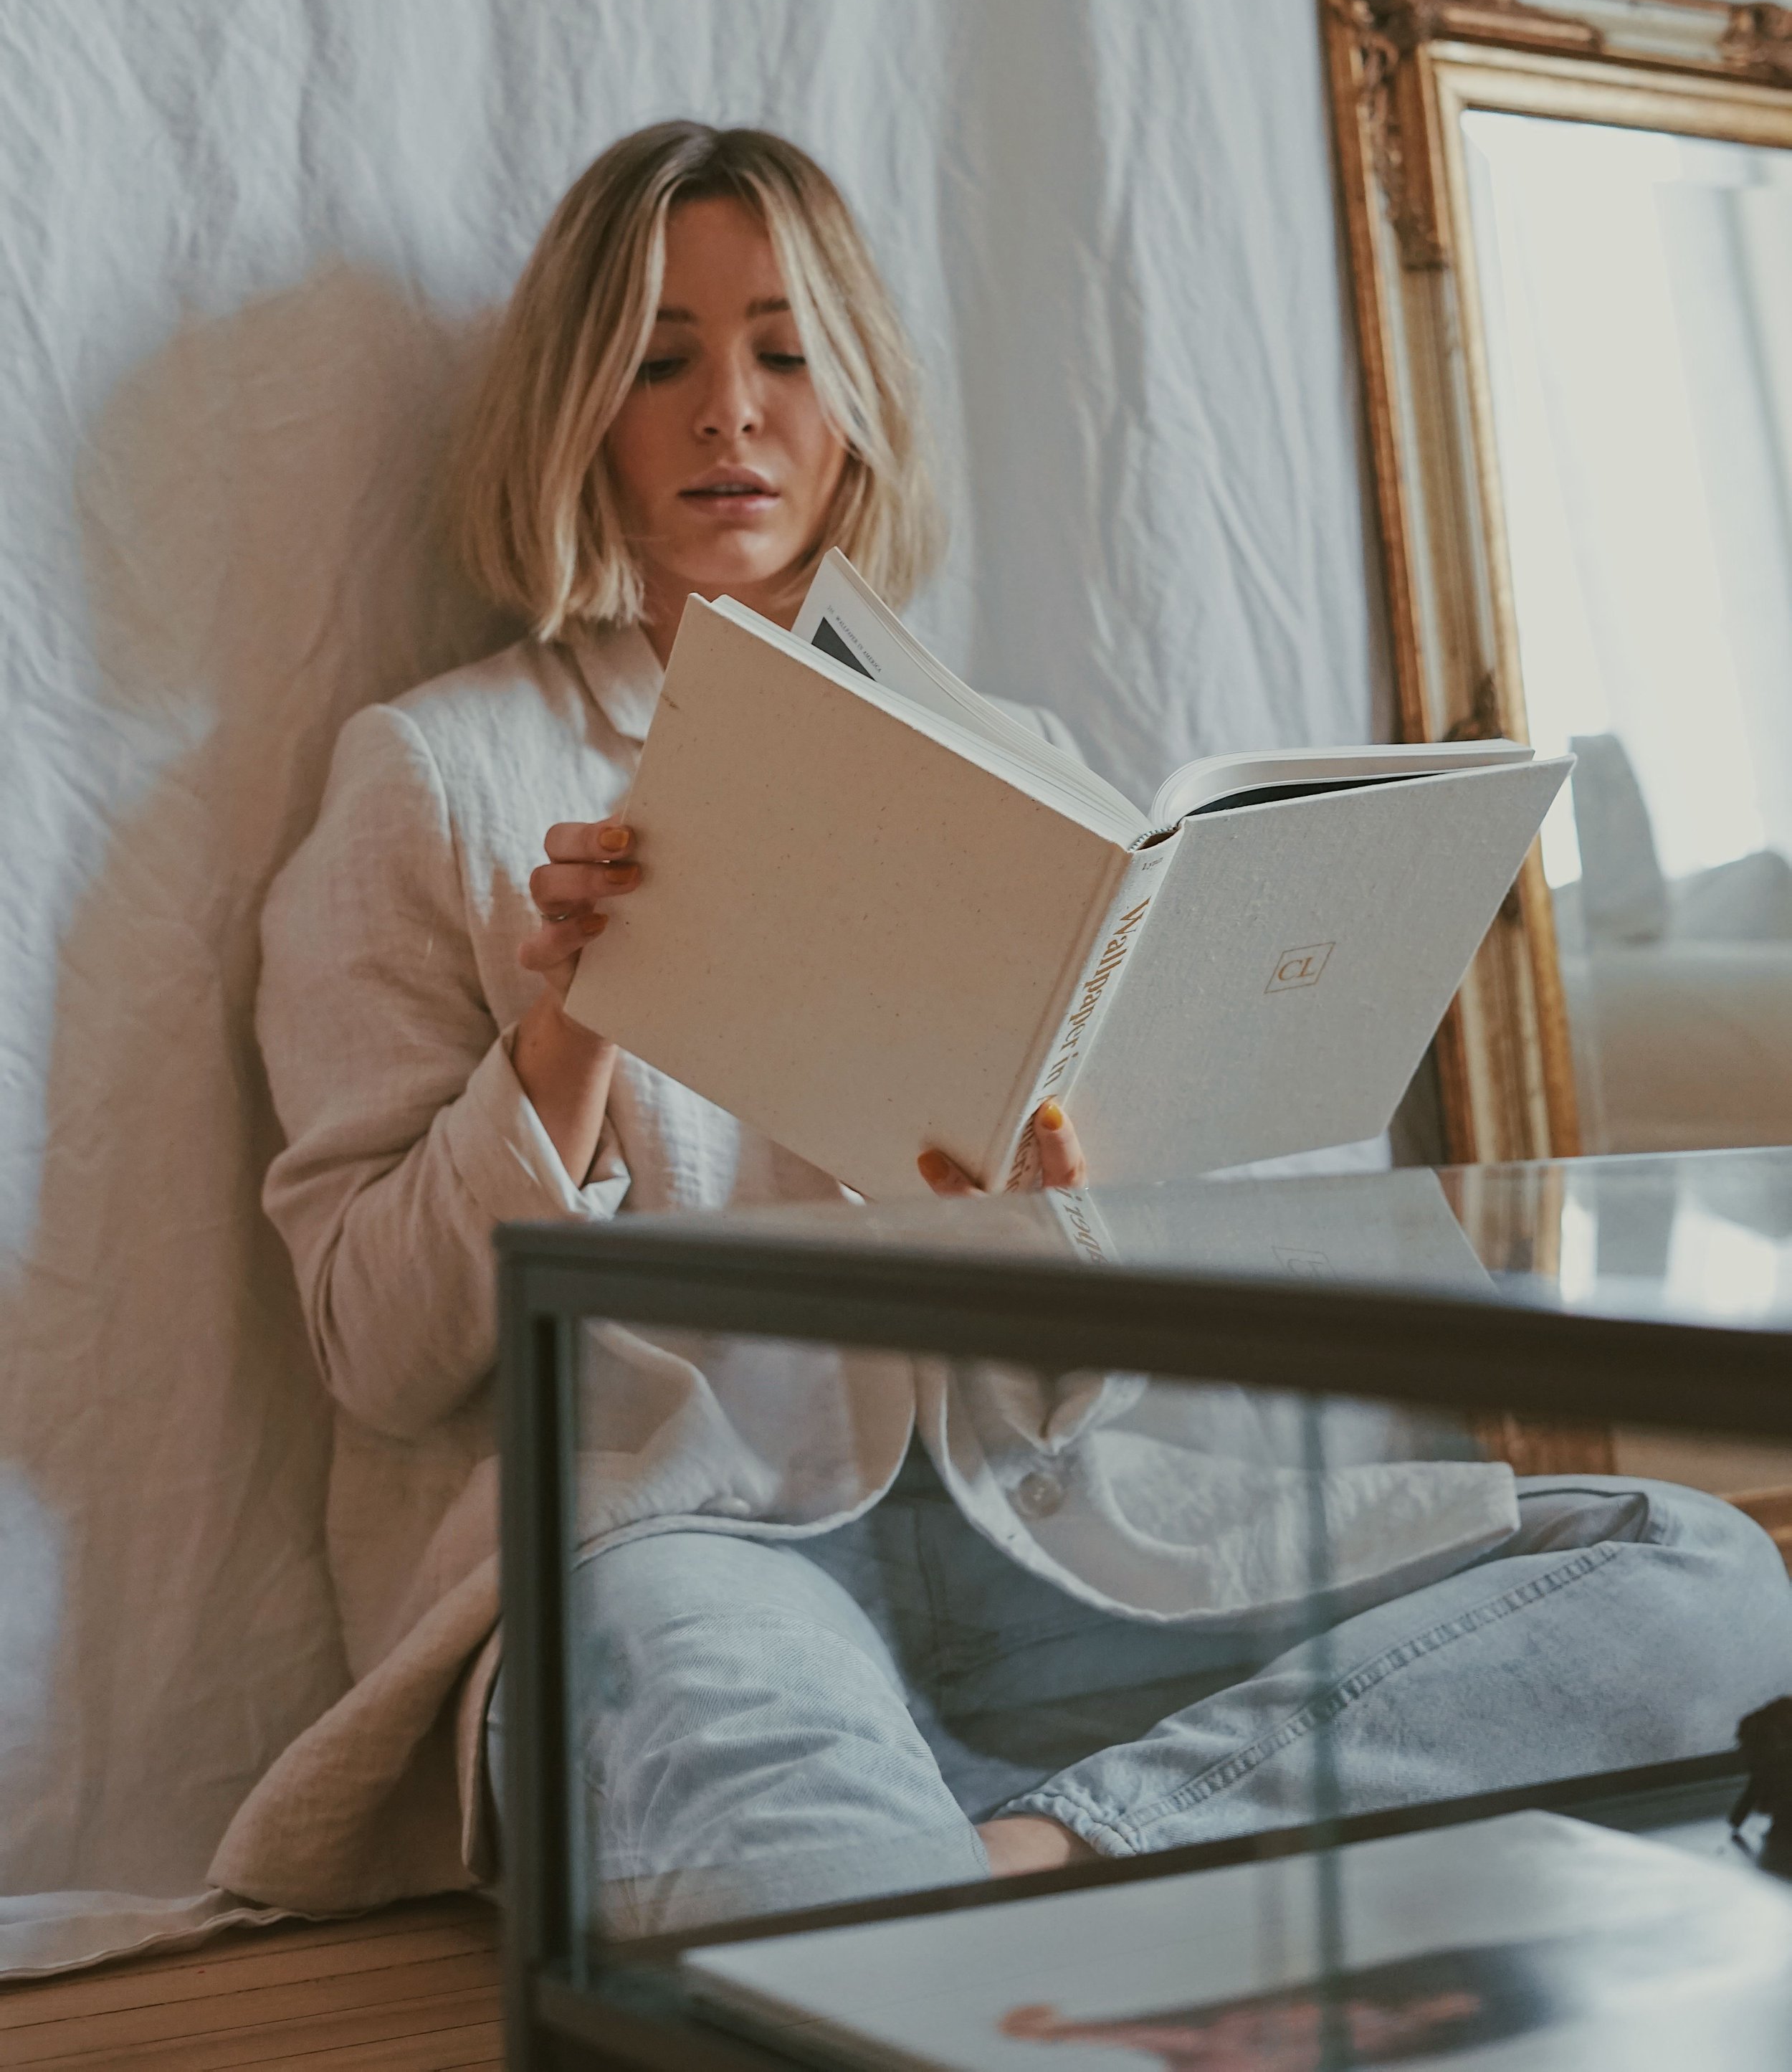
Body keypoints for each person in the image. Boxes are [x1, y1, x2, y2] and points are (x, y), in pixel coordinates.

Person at [212, 122, 1791, 1932]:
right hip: (684, 1557)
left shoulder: (1021, 772)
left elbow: (1088, 1359)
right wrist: (565, 1038)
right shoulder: (440, 777)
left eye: (784, 354)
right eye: (661, 358)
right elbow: (372, 1347)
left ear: (858, 401)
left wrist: (1062, 1224)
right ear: (578, 407)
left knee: (1701, 1578)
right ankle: (1031, 1882)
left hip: (1056, 1549)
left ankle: (1041, 1858)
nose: (729, 410)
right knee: (756, 1797)